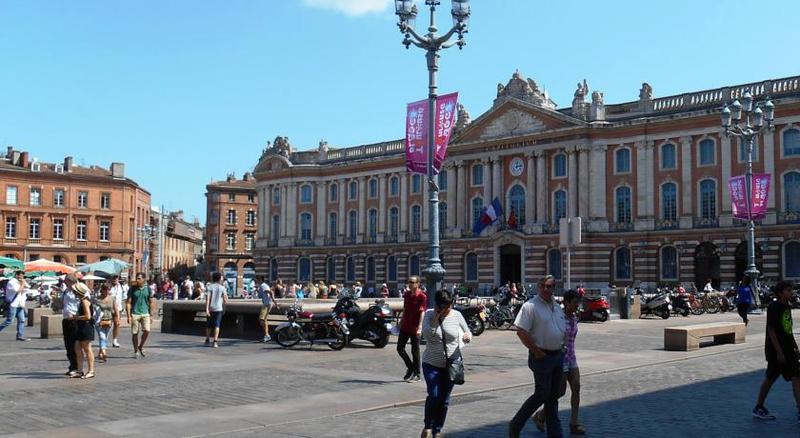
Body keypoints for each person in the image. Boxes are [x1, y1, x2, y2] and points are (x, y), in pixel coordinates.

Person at [509, 275, 567, 438]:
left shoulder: (556, 306)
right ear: (538, 286)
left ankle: (556, 434)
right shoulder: (530, 306)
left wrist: (564, 345)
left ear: (554, 287)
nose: (546, 289)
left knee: (553, 397)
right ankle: (516, 424)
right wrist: (536, 350)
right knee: (542, 394)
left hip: (557, 355)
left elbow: (561, 328)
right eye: (543, 286)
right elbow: (521, 331)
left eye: (550, 286)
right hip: (541, 356)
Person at [533, 289, 585, 435]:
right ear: (567, 302)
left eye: (578, 303)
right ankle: (540, 415)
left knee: (576, 387)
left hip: (572, 357)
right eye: (575, 303)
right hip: (560, 358)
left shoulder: (575, 317)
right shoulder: (558, 317)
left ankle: (574, 423)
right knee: (559, 391)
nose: (577, 306)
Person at [420, 289, 471, 438]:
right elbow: (428, 336)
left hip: (451, 364)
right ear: (437, 305)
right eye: (444, 306)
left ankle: (437, 430)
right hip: (431, 363)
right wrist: (436, 318)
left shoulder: (457, 315)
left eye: (449, 305)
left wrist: (468, 336)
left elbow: (467, 331)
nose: (448, 309)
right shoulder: (429, 314)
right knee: (434, 395)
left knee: (445, 400)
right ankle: (427, 427)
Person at [753, 281, 800, 421]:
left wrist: (795, 346)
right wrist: (779, 352)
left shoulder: (787, 306)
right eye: (788, 290)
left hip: (788, 348)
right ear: (780, 293)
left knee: (797, 377)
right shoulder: (774, 307)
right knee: (770, 377)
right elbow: (771, 330)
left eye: (791, 290)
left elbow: (788, 329)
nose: (791, 292)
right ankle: (759, 407)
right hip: (776, 350)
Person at [398, 276, 427, 382]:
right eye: (409, 282)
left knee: (415, 351)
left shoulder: (422, 296)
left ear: (418, 283)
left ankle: (417, 374)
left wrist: (420, 327)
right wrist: (401, 320)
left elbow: (422, 311)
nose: (410, 284)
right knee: (400, 348)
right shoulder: (406, 294)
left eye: (412, 282)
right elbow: (405, 308)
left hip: (415, 327)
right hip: (406, 325)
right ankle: (410, 367)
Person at [126, 272, 154, 358]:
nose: (137, 280)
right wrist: (128, 316)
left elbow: (151, 302)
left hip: (145, 313)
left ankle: (140, 346)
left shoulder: (148, 289)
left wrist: (151, 315)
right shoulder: (132, 289)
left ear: (144, 279)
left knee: (147, 331)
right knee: (135, 333)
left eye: (139, 278)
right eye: (137, 278)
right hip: (135, 313)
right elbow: (128, 302)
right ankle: (135, 351)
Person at [71, 280, 95, 379]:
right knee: (77, 348)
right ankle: (80, 370)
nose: (73, 293)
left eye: (75, 291)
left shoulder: (85, 301)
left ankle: (91, 370)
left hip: (86, 327)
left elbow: (88, 316)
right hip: (80, 327)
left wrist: (76, 318)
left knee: (87, 349)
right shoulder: (81, 300)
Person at [0, 270, 28, 341]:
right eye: (21, 275)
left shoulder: (20, 282)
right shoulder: (12, 282)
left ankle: (20, 336)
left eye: (23, 276)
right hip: (13, 304)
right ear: (17, 275)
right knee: (9, 321)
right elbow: (18, 290)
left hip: (19, 304)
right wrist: (23, 284)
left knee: (22, 320)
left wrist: (23, 283)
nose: (22, 277)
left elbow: (28, 287)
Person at [94, 285, 119, 363]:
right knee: (102, 337)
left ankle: (100, 352)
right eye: (105, 289)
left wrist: (117, 318)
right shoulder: (97, 299)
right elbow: (93, 309)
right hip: (99, 321)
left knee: (105, 337)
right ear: (102, 290)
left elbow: (116, 309)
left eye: (108, 289)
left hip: (109, 320)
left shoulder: (112, 298)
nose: (107, 291)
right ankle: (104, 352)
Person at [205, 272, 228, 348]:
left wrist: (207, 309)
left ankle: (207, 338)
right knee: (217, 325)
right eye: (221, 278)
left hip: (211, 308)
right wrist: (224, 308)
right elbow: (225, 300)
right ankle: (215, 341)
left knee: (209, 325)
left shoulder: (209, 287)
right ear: (219, 278)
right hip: (219, 309)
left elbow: (208, 299)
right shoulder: (223, 288)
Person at [109, 276, 125, 348]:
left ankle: (115, 340)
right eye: (113, 278)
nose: (115, 279)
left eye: (116, 278)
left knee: (117, 324)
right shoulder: (108, 286)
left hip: (118, 308)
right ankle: (104, 339)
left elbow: (123, 297)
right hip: (108, 308)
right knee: (107, 324)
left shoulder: (121, 286)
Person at [257, 276, 274, 343]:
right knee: (263, 320)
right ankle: (266, 335)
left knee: (262, 320)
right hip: (267, 304)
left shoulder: (263, 286)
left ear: (260, 279)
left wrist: (273, 302)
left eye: (257, 280)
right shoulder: (263, 286)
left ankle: (267, 335)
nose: (256, 281)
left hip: (266, 305)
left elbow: (270, 292)